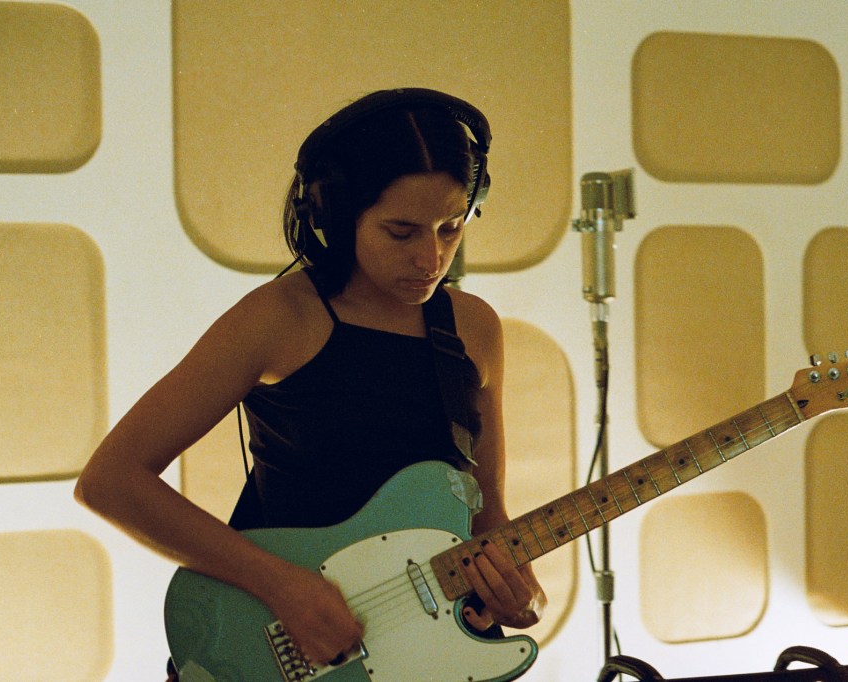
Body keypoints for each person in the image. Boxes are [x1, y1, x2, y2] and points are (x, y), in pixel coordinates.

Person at [73, 87, 546, 677]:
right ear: (337, 216)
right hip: (275, 648)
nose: (431, 258)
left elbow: (486, 507)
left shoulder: (474, 327)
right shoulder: (278, 317)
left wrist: (524, 593)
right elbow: (111, 481)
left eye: (451, 228)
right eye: (401, 232)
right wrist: (280, 585)